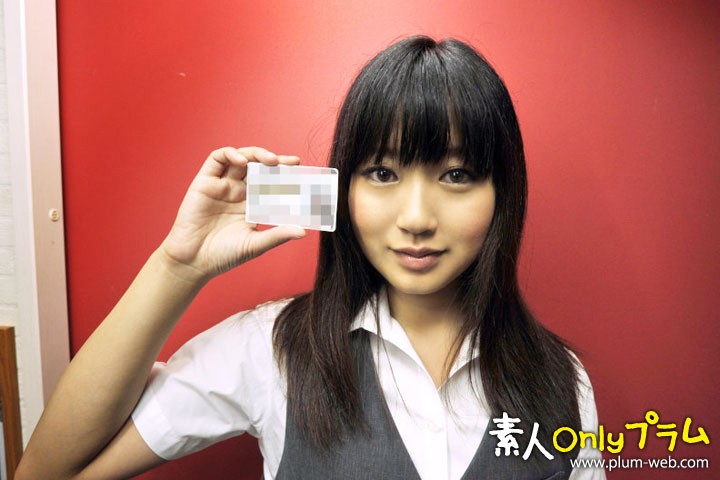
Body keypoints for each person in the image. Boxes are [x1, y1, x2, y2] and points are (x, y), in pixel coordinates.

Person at [17, 36, 604, 479]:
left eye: (456, 174)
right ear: (343, 189)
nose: (417, 217)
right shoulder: (272, 349)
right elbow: (46, 472)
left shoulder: (561, 380)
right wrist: (179, 265)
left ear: (503, 191)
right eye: (382, 173)